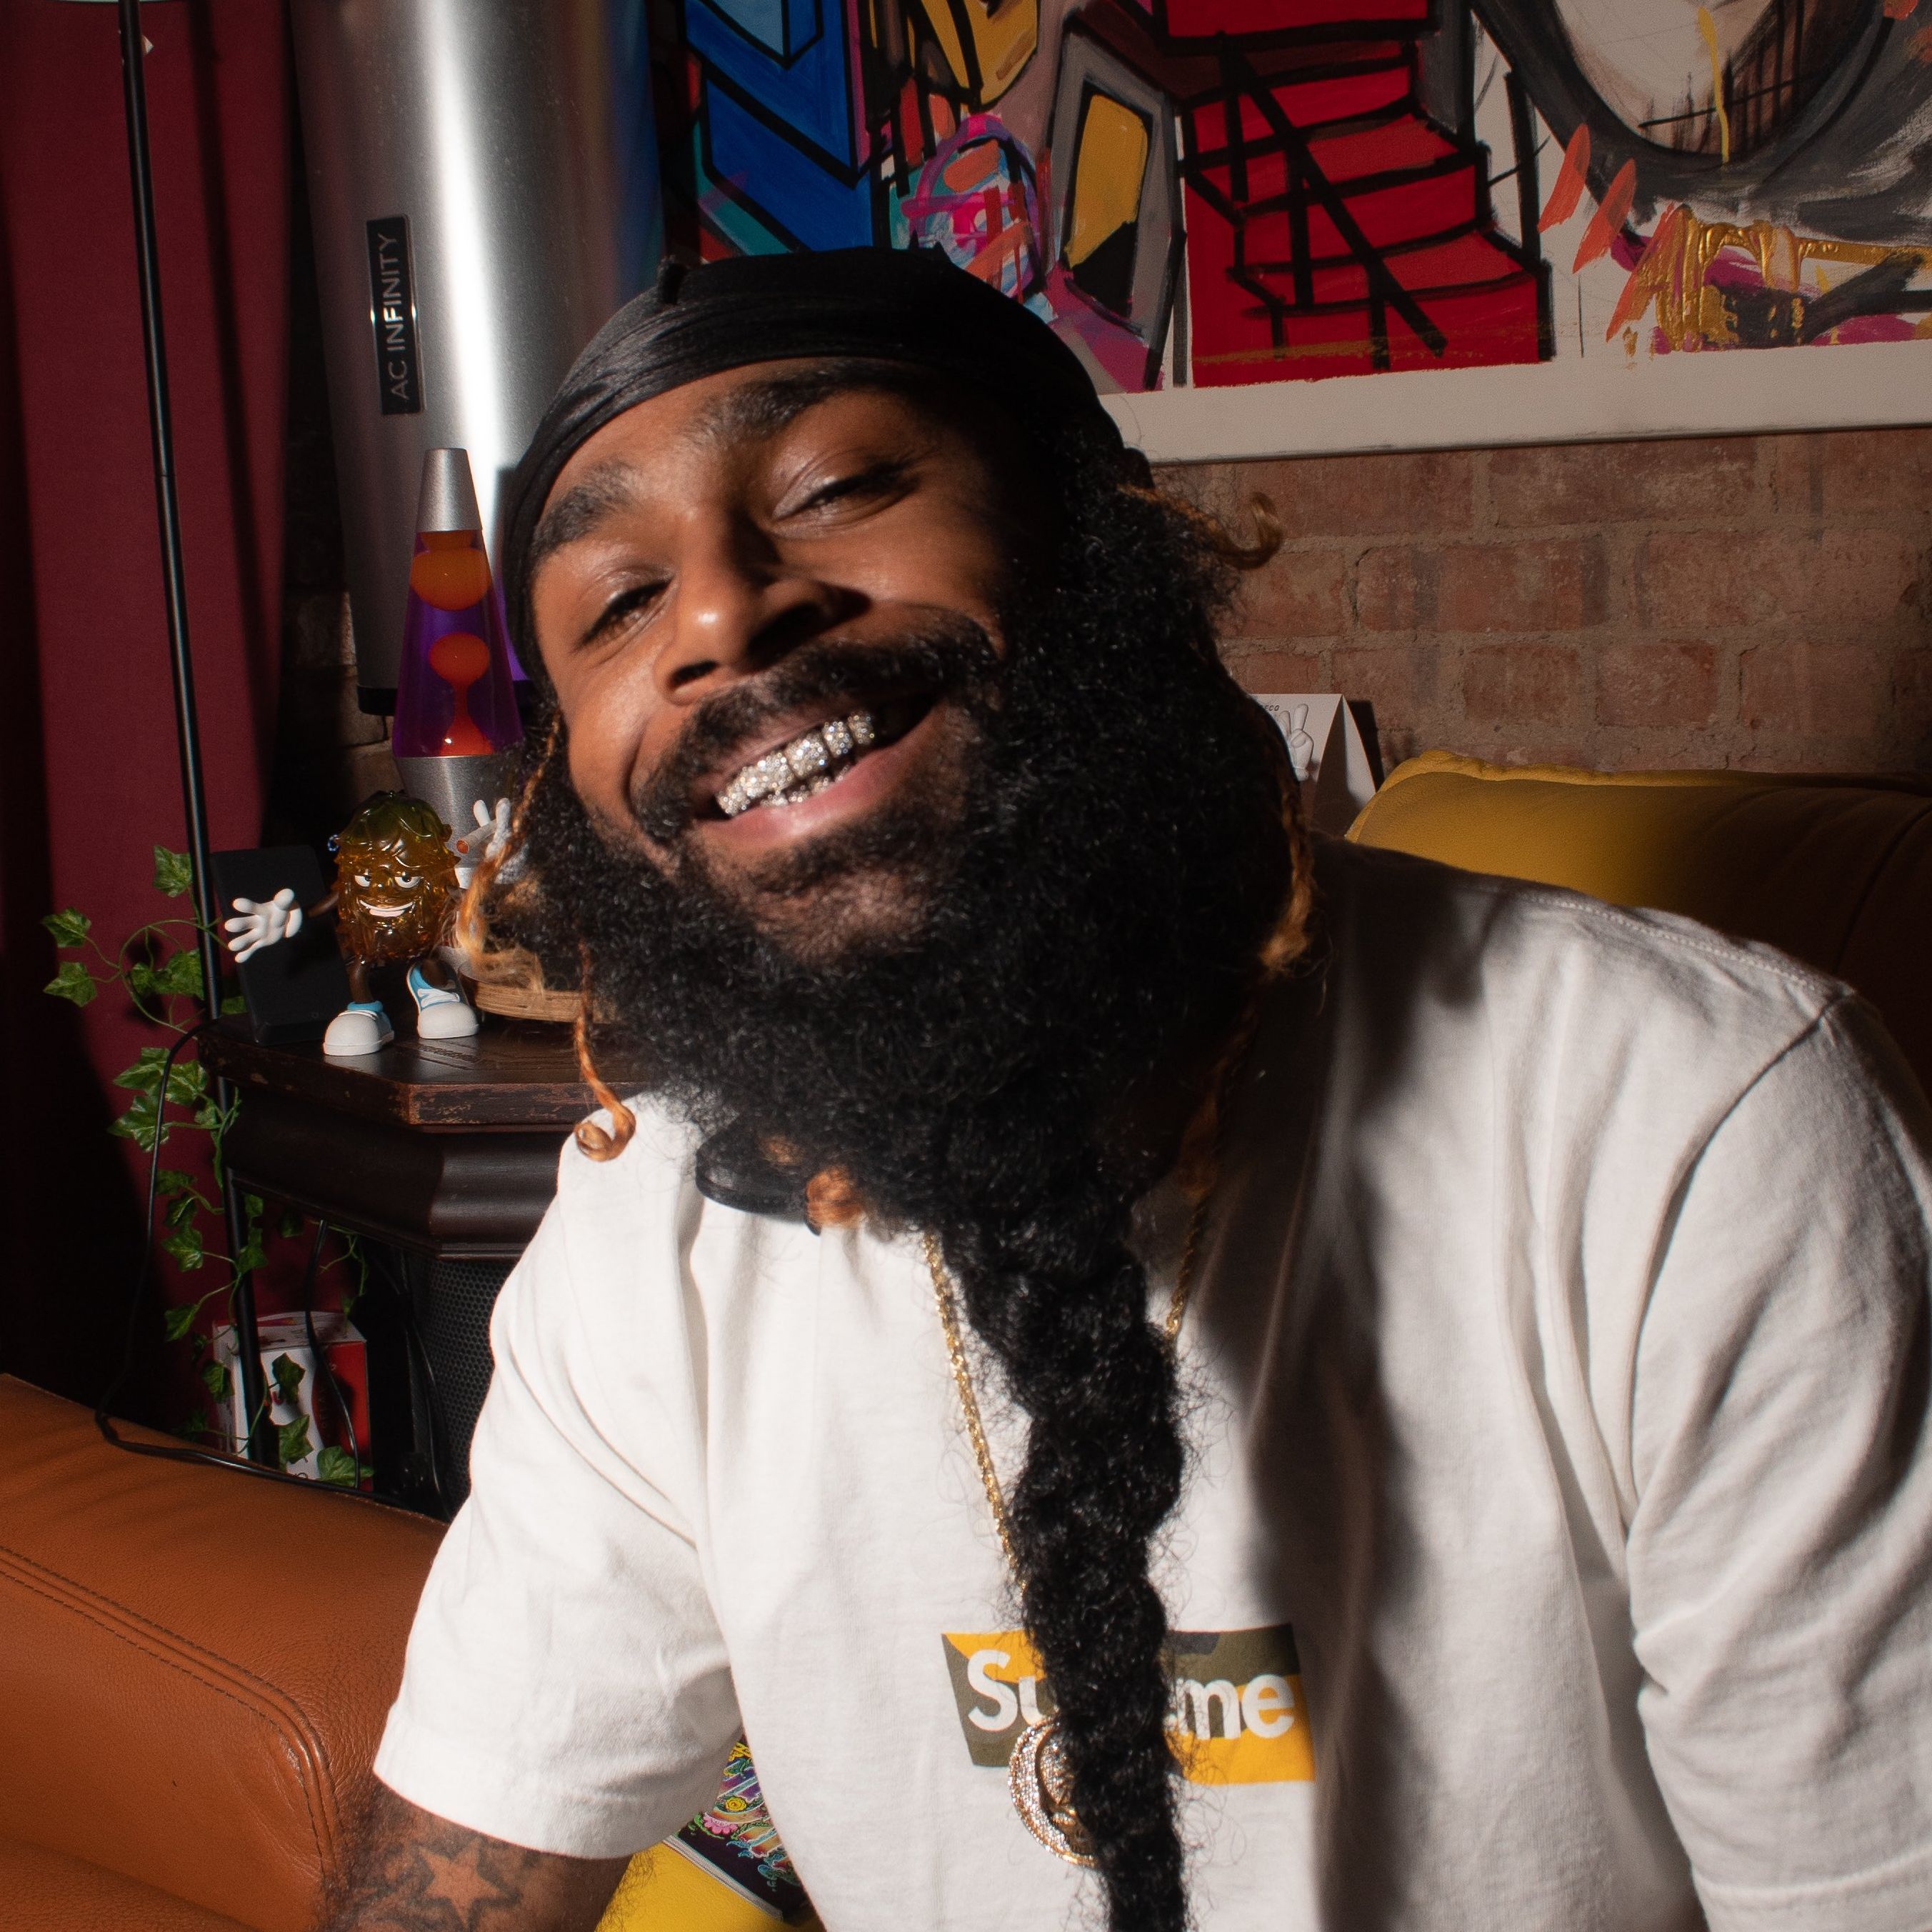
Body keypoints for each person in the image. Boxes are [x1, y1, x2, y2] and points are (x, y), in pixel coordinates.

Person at [324, 248, 1932, 1932]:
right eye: (617, 605)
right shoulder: (647, 1232)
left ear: (1096, 528)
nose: (721, 612)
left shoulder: (1696, 1121)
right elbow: (456, 1877)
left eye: (837, 488)